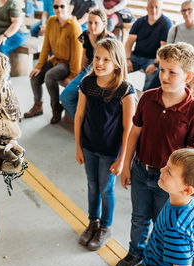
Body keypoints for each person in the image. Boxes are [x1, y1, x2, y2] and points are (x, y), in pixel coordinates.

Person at [115, 42, 194, 266]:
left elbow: (190, 159)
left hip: (170, 182)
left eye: (172, 72)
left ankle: (164, 265)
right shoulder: (148, 98)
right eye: (161, 69)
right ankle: (135, 252)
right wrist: (126, 164)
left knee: (163, 224)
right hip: (141, 170)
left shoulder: (191, 111)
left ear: (188, 76)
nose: (164, 76)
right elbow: (134, 133)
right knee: (139, 217)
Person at [75, 38, 136, 251]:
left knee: (105, 189)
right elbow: (79, 115)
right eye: (97, 58)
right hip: (89, 146)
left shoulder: (125, 90)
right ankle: (93, 222)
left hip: (111, 151)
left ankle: (106, 226)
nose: (99, 63)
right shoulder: (87, 82)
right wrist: (78, 146)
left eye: (106, 60)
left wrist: (122, 159)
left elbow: (128, 128)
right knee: (92, 185)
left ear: (117, 63)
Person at [24, 0, 83, 124]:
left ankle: (56, 108)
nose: (59, 9)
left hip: (68, 63)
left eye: (62, 6)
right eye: (56, 6)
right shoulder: (51, 21)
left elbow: (77, 55)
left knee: (49, 76)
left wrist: (73, 76)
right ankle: (38, 106)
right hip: (55, 59)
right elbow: (46, 46)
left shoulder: (74, 26)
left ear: (68, 8)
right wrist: (39, 66)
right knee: (34, 76)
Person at [140, 148, 194, 266]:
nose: (161, 170)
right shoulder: (185, 202)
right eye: (166, 165)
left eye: (169, 172)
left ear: (186, 190)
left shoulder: (175, 228)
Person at [61, 8, 115, 119]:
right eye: (90, 22)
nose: (92, 26)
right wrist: (79, 73)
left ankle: (90, 123)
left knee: (95, 102)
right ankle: (83, 122)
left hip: (104, 73)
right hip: (87, 71)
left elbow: (113, 64)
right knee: (65, 97)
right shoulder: (85, 35)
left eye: (96, 23)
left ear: (104, 24)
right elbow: (85, 55)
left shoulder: (110, 39)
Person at [125, 0, 172, 91]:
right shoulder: (139, 22)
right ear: (146, 8)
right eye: (151, 6)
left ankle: (144, 97)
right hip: (136, 56)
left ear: (161, 8)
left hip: (153, 59)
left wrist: (155, 64)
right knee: (120, 72)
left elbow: (163, 49)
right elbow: (128, 43)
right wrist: (127, 60)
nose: (153, 9)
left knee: (154, 78)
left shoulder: (166, 23)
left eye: (156, 7)